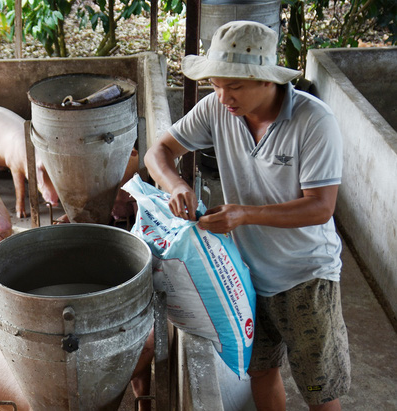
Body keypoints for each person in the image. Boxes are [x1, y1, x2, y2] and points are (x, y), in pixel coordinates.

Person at [144, 21, 350, 410]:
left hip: (306, 274)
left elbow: (321, 206)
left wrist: (244, 215)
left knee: (320, 386)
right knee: (260, 369)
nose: (223, 97)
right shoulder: (217, 109)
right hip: (245, 273)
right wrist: (176, 185)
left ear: (266, 80)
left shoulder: (314, 121)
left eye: (234, 86)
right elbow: (158, 152)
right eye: (216, 85)